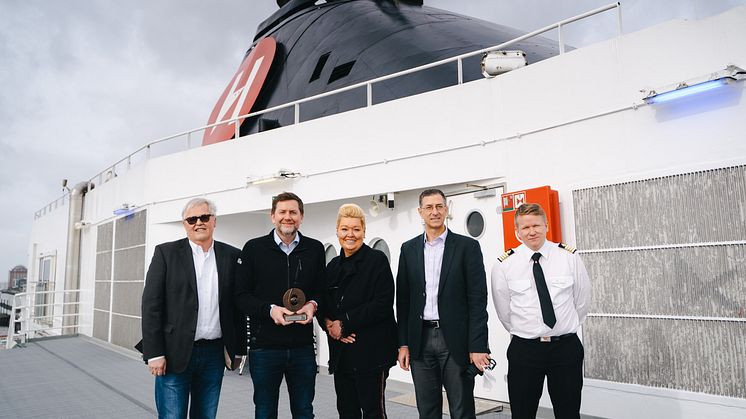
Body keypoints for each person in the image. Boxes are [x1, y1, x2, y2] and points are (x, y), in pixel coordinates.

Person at [139, 197, 245, 419]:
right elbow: (151, 306)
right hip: (173, 354)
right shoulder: (165, 254)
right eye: (192, 219)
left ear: (214, 221)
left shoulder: (232, 256)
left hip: (214, 355)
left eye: (205, 217)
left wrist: (238, 349)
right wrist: (154, 353)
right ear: (184, 224)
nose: (199, 222)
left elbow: (237, 307)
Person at [396, 188, 491, 419]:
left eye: (439, 206)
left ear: (446, 210)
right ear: (420, 212)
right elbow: (404, 301)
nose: (435, 211)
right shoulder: (408, 249)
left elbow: (478, 301)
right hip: (421, 340)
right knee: (427, 410)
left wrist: (478, 346)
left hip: (455, 341)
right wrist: (403, 344)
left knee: (462, 409)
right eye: (429, 207)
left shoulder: (467, 247)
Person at [491, 203, 591, 419]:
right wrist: (528, 330)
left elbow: (582, 301)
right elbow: (504, 311)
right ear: (517, 232)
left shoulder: (568, 257)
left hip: (565, 347)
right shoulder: (504, 265)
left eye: (536, 225)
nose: (532, 231)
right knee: (522, 412)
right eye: (525, 228)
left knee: (568, 412)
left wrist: (565, 327)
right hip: (525, 349)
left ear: (546, 225)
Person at [234, 192, 326, 419]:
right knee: (265, 412)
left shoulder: (314, 249)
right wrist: (270, 310)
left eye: (293, 212)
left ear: (301, 217)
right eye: (282, 212)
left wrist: (313, 305)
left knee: (304, 411)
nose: (288, 217)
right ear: (272, 216)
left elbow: (322, 291)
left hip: (302, 347)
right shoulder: (254, 249)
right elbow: (241, 296)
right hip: (265, 348)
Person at [321, 203, 398, 419]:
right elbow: (324, 304)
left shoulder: (377, 261)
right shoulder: (333, 266)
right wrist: (330, 326)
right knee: (346, 411)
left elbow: (382, 304)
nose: (350, 234)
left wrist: (344, 323)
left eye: (356, 229)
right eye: (345, 229)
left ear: (364, 231)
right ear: (337, 231)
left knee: (373, 412)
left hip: (371, 353)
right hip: (342, 353)